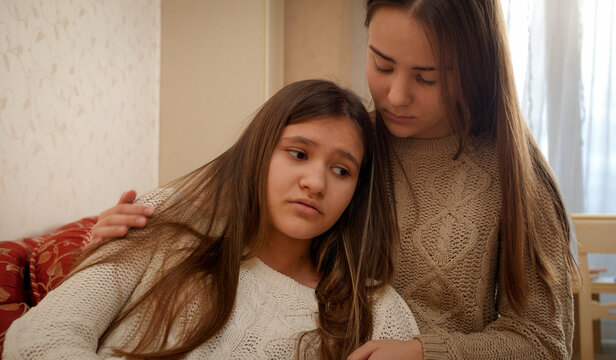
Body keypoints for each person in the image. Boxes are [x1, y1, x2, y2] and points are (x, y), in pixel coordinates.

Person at [87, 0, 579, 358]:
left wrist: (424, 353)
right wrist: (123, 229)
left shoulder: (518, 176)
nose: (396, 95)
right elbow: (202, 201)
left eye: (427, 77)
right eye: (381, 64)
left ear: (475, 67)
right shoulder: (343, 141)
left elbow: (543, 341)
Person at [3, 80, 420, 360]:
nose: (315, 182)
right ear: (259, 152)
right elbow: (41, 338)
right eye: (298, 153)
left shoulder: (373, 309)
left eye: (341, 170)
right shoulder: (162, 222)